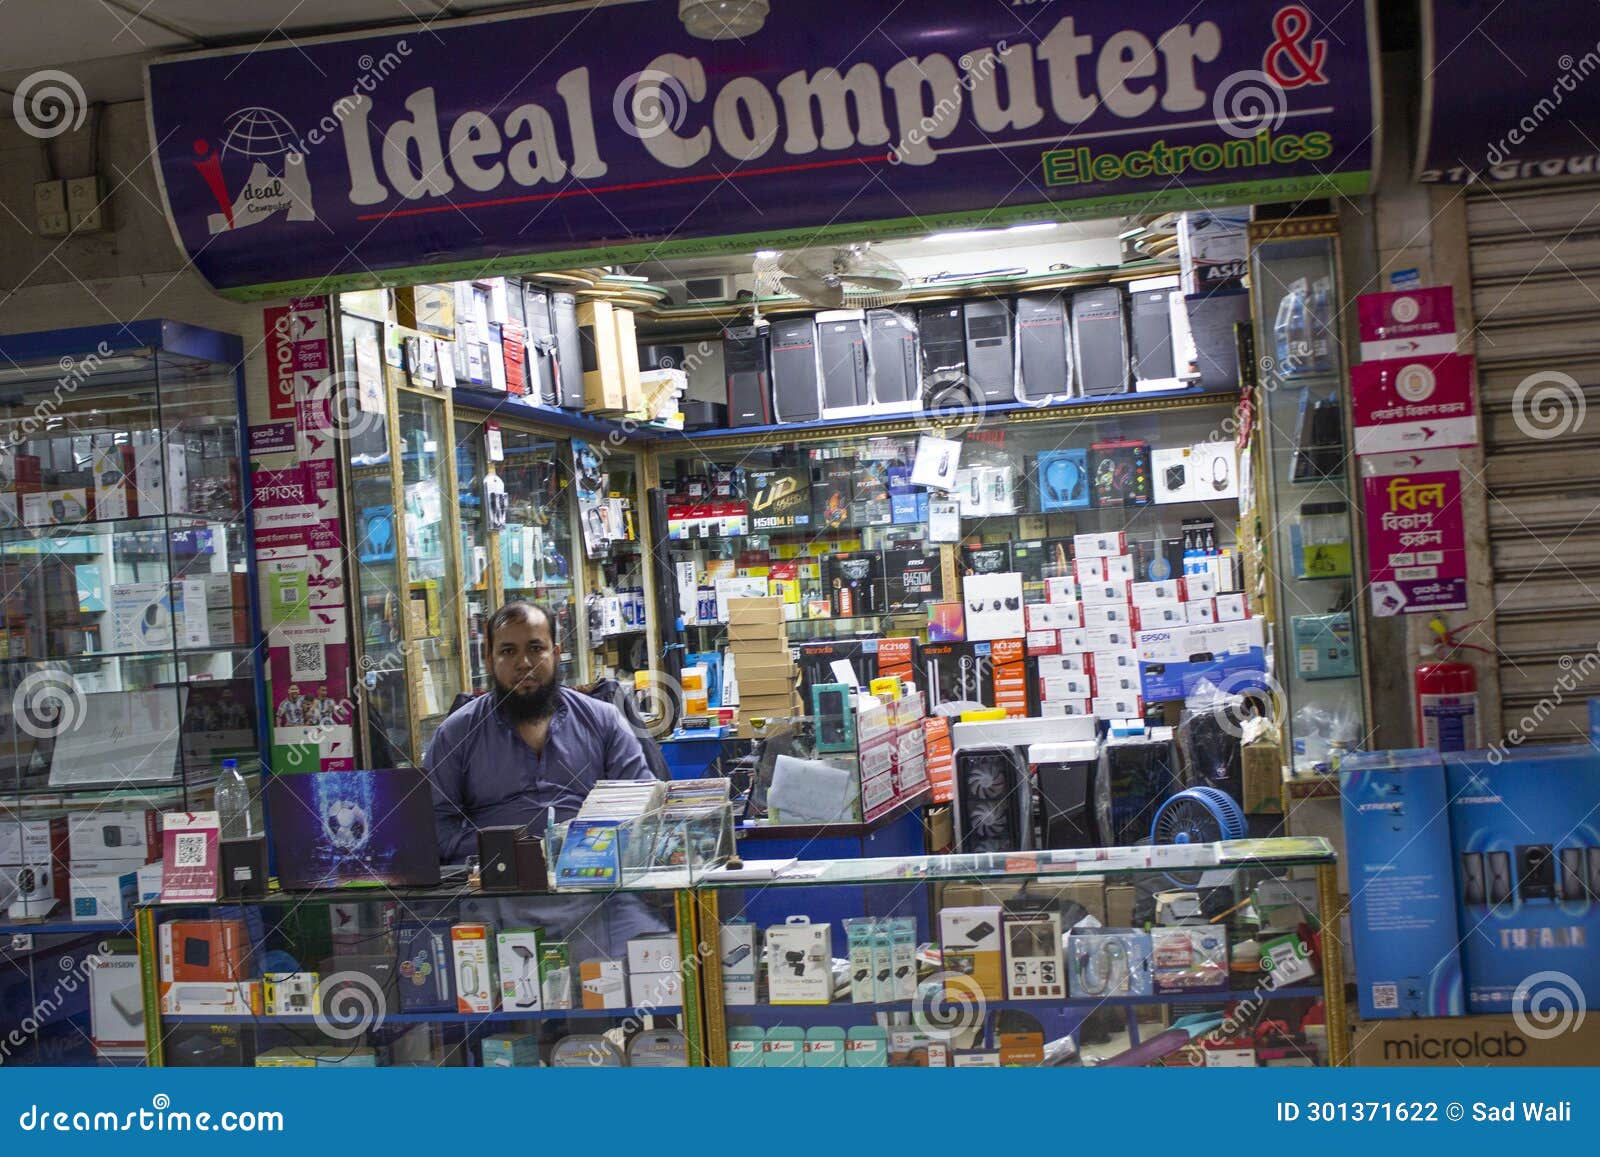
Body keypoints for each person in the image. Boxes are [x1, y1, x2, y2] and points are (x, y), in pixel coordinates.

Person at [424, 602, 664, 954]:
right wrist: (510, 853)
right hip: (498, 896)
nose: (524, 663)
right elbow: (435, 829)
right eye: (508, 651)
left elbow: (643, 811)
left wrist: (583, 850)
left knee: (657, 959)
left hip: (595, 892)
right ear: (489, 661)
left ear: (556, 652)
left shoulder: (603, 722)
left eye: (535, 648)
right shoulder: (456, 734)